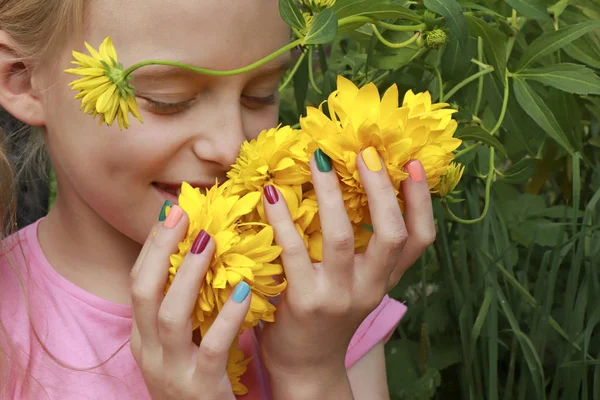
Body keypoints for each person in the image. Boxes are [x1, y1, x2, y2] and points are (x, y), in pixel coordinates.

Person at [0, 0, 436, 398]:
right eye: (168, 101)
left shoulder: (323, 298)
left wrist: (310, 371)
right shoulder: (10, 329)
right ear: (22, 79)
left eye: (260, 94)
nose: (230, 147)